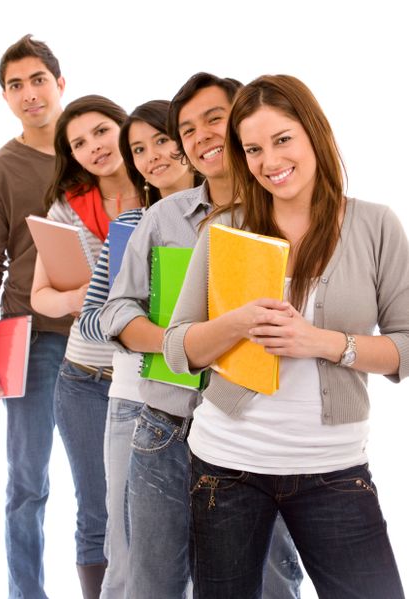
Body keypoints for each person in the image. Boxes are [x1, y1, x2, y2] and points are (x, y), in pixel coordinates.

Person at [163, 73, 409, 599]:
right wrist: (234, 323)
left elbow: (404, 347)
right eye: (252, 149)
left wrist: (321, 342)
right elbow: (176, 348)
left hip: (333, 469)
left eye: (282, 140)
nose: (269, 162)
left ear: (314, 133)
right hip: (225, 466)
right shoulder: (225, 230)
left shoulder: (374, 224)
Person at [98, 73, 303, 599]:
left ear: (242, 123)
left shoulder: (287, 212)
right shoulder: (163, 217)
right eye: (187, 129)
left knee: (272, 580)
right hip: (166, 426)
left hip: (258, 430)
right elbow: (117, 309)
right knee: (154, 582)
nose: (202, 135)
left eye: (215, 118)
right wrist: (186, 340)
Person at [78, 99, 202, 599]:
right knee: (129, 556)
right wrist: (136, 320)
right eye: (139, 149)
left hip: (217, 402)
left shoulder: (239, 215)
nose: (153, 155)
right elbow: (92, 320)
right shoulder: (132, 224)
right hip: (138, 400)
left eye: (162, 140)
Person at [0, 35, 71, 599]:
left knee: (109, 485)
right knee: (28, 485)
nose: (29, 93)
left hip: (109, 340)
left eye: (37, 79)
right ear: (5, 97)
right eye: (15, 85)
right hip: (33, 341)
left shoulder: (98, 150)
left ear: (61, 82)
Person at [30, 94, 142, 599]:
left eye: (101, 131)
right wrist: (85, 296)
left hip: (146, 379)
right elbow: (41, 298)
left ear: (123, 128)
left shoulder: (162, 193)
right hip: (83, 379)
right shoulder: (65, 208)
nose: (94, 147)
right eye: (78, 143)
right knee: (95, 510)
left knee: (149, 511)